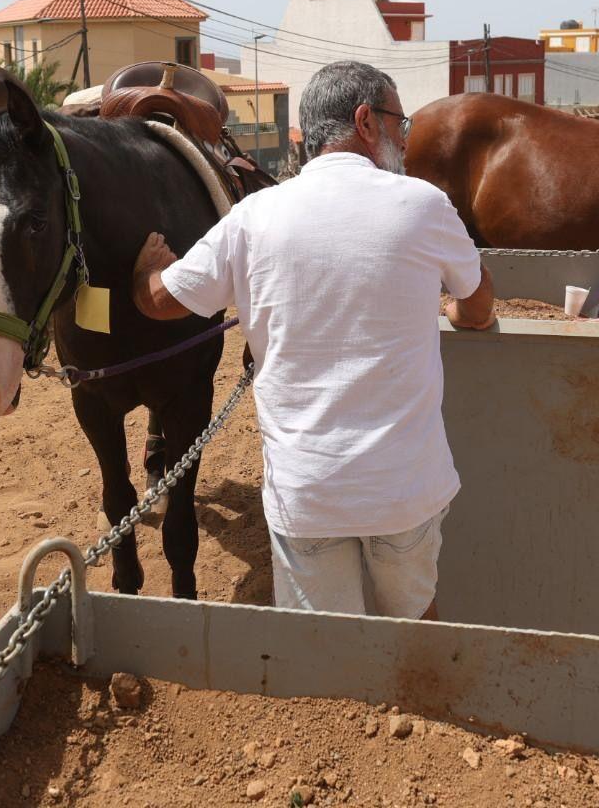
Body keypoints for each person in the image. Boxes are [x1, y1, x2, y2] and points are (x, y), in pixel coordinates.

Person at [131, 60, 496, 619]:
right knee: (419, 629)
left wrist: (147, 269)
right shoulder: (424, 206)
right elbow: (478, 305)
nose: (404, 136)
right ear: (365, 120)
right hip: (405, 489)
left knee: (325, 654)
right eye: (400, 121)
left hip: (307, 495)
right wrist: (455, 308)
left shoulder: (253, 217)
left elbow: (160, 302)